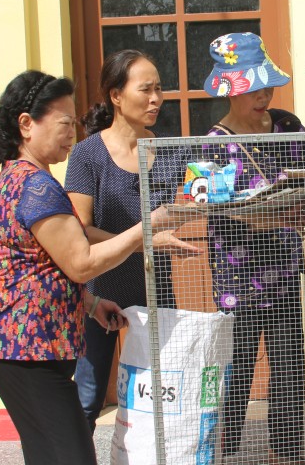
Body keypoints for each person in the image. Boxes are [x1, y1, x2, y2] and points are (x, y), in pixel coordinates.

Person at [0, 70, 182, 465]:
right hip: (26, 352)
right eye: (65, 123)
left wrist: (89, 303)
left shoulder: (19, 178)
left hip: (20, 350)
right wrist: (146, 227)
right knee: (72, 455)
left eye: (75, 123)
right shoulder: (35, 186)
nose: (73, 132)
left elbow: (37, 264)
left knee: (49, 454)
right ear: (26, 124)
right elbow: (81, 263)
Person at [64, 50, 199, 436]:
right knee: (89, 397)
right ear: (116, 96)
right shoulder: (88, 154)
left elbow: (189, 205)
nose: (156, 98)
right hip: (99, 288)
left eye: (160, 89)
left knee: (161, 392)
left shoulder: (173, 151)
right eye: (146, 90)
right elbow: (79, 228)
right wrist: (144, 241)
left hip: (156, 287)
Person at [201, 32, 305, 464]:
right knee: (237, 367)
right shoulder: (213, 141)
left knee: (290, 367)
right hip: (238, 274)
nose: (264, 95)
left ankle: (286, 452)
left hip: (285, 268)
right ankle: (228, 452)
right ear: (231, 90)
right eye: (253, 88)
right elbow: (212, 204)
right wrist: (267, 216)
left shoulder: (287, 124)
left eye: (267, 86)